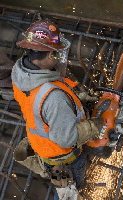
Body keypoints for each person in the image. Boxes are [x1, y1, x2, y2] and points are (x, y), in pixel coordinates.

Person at [11, 20, 103, 199]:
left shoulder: (20, 71)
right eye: (57, 53)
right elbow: (66, 139)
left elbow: (39, 106)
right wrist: (94, 126)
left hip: (43, 148)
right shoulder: (54, 98)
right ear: (51, 55)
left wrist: (75, 100)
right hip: (65, 160)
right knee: (70, 193)